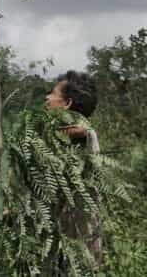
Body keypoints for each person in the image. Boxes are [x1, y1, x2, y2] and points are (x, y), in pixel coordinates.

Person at [44, 70, 102, 269]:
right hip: (61, 237)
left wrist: (45, 130)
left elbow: (81, 131)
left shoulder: (85, 133)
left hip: (80, 241)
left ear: (67, 103)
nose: (47, 98)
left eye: (53, 94)